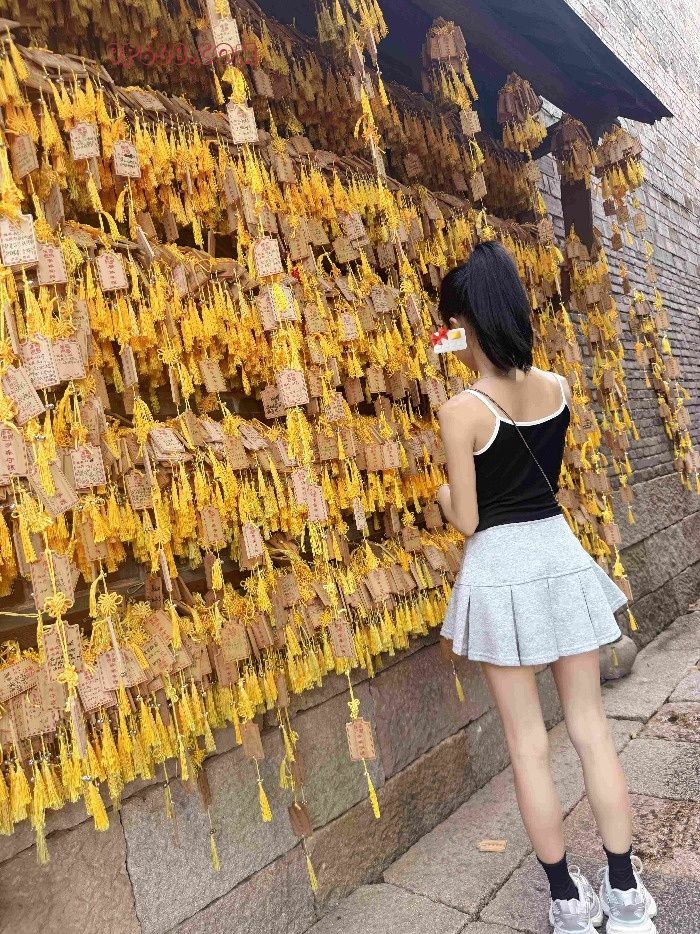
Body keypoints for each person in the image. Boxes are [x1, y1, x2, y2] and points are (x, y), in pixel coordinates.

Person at [435, 242, 658, 934]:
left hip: (501, 569)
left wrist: (443, 498)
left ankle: (567, 902)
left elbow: (468, 519)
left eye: (454, 326)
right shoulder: (557, 388)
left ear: (468, 323)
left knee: (528, 744)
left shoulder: (461, 411)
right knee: (591, 729)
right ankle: (625, 894)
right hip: (558, 557)